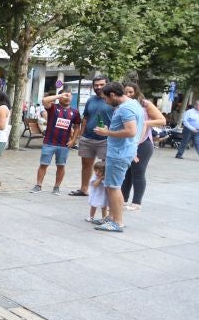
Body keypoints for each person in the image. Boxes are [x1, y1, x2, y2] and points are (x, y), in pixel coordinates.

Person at [92, 82, 144, 233]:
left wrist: (107, 133)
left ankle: (117, 222)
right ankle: (112, 217)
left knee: (113, 187)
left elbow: (131, 131)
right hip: (124, 151)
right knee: (113, 186)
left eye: (106, 98)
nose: (105, 101)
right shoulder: (134, 104)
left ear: (113, 95)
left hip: (119, 153)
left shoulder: (126, 108)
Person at [120, 83, 166, 210]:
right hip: (129, 143)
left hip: (143, 143)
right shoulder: (124, 105)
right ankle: (123, 200)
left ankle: (136, 203)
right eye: (125, 92)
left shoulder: (145, 104)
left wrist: (144, 123)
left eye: (130, 92)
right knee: (127, 173)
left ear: (137, 92)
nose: (128, 94)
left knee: (138, 172)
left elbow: (162, 120)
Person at [69, 76, 113, 197]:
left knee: (106, 166)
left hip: (106, 139)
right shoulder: (91, 100)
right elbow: (86, 118)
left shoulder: (113, 100)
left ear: (107, 85)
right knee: (86, 165)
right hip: (88, 138)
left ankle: (107, 191)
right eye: (96, 85)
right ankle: (84, 189)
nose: (98, 87)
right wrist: (81, 134)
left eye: (101, 84)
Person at [30, 91, 81, 195]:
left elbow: (77, 127)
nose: (67, 97)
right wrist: (59, 96)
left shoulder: (74, 112)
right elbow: (44, 100)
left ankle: (56, 187)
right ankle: (38, 185)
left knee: (61, 166)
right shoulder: (53, 108)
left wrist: (73, 140)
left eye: (69, 95)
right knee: (43, 164)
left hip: (64, 144)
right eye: (65, 95)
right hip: (49, 142)